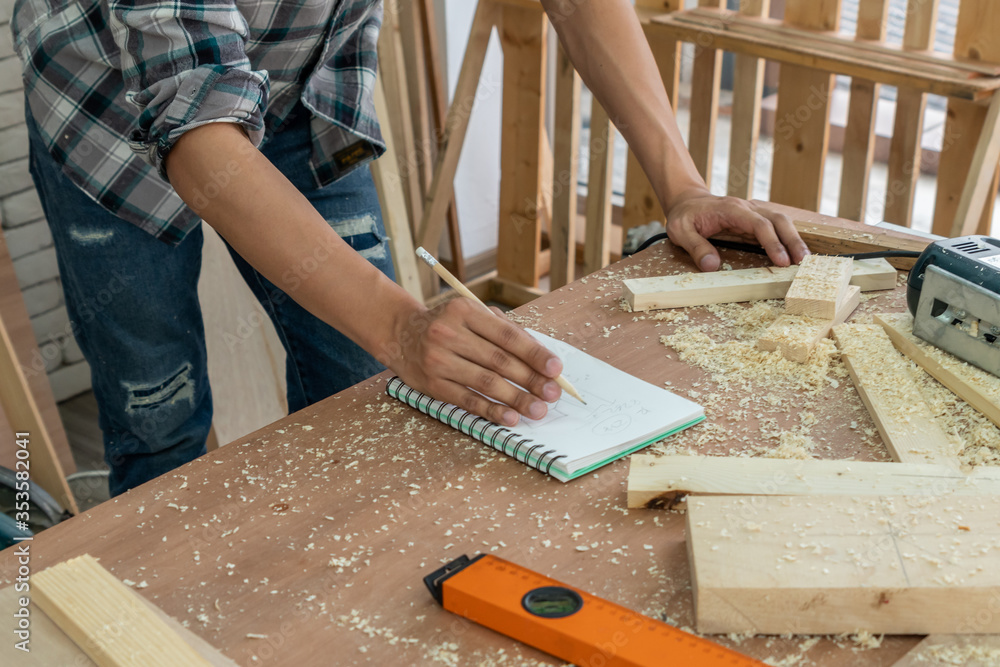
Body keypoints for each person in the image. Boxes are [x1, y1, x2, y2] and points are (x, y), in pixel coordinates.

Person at [12, 0, 809, 496]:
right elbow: (199, 137)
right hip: (106, 109)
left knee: (371, 386)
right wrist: (400, 326)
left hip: (300, 88)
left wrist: (683, 185)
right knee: (160, 415)